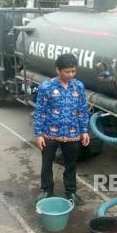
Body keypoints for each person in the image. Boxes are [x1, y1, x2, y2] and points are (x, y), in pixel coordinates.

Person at [34, 53, 90, 206]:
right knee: (47, 164)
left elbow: (82, 109)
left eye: (73, 71)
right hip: (49, 134)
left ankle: (71, 191)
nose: (71, 75)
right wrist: (39, 134)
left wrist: (84, 130)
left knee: (71, 164)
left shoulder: (78, 86)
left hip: (72, 133)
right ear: (58, 70)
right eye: (67, 72)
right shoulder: (46, 87)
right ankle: (46, 190)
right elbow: (40, 111)